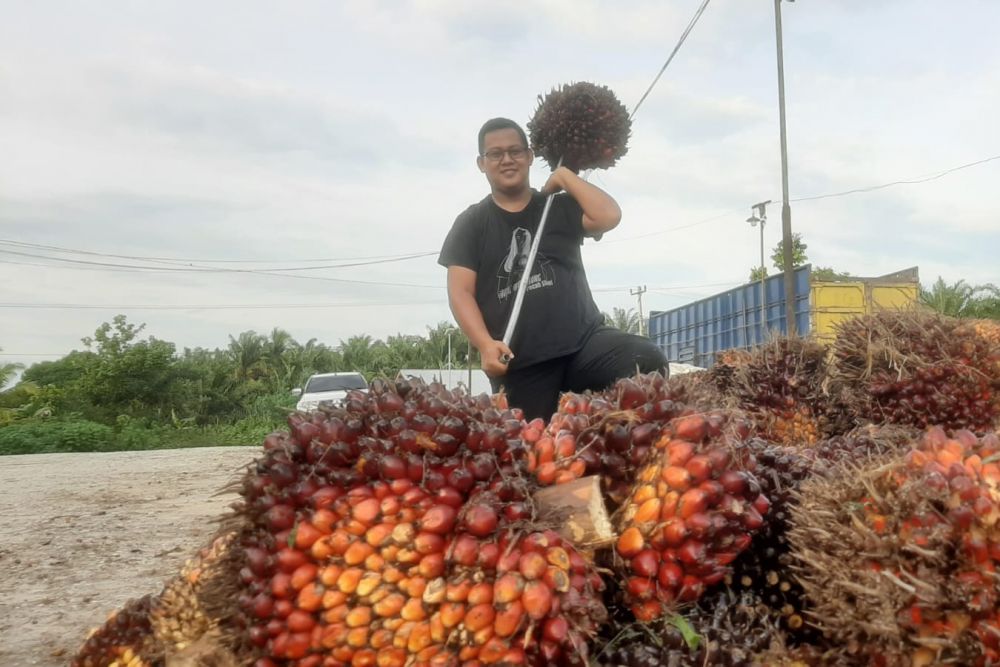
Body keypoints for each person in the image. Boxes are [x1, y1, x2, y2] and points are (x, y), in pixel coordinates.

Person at [438, 117, 667, 420]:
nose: (507, 159)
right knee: (528, 440)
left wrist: (564, 177)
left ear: (530, 156)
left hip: (584, 345)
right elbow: (460, 292)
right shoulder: (471, 223)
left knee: (645, 359)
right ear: (482, 163)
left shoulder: (555, 207)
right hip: (521, 363)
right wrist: (485, 344)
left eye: (515, 151)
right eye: (495, 154)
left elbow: (608, 216)